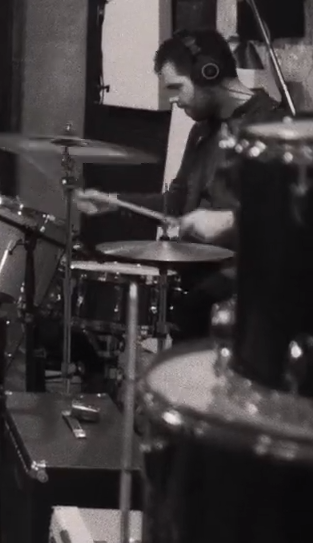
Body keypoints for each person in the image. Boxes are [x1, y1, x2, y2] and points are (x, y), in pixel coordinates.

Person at [81, 27, 287, 335]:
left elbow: (289, 217)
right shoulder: (202, 132)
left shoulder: (274, 127)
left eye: (177, 87)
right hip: (197, 279)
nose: (174, 100)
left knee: (193, 309)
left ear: (208, 73)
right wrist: (114, 202)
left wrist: (231, 221)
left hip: (246, 290)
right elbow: (176, 203)